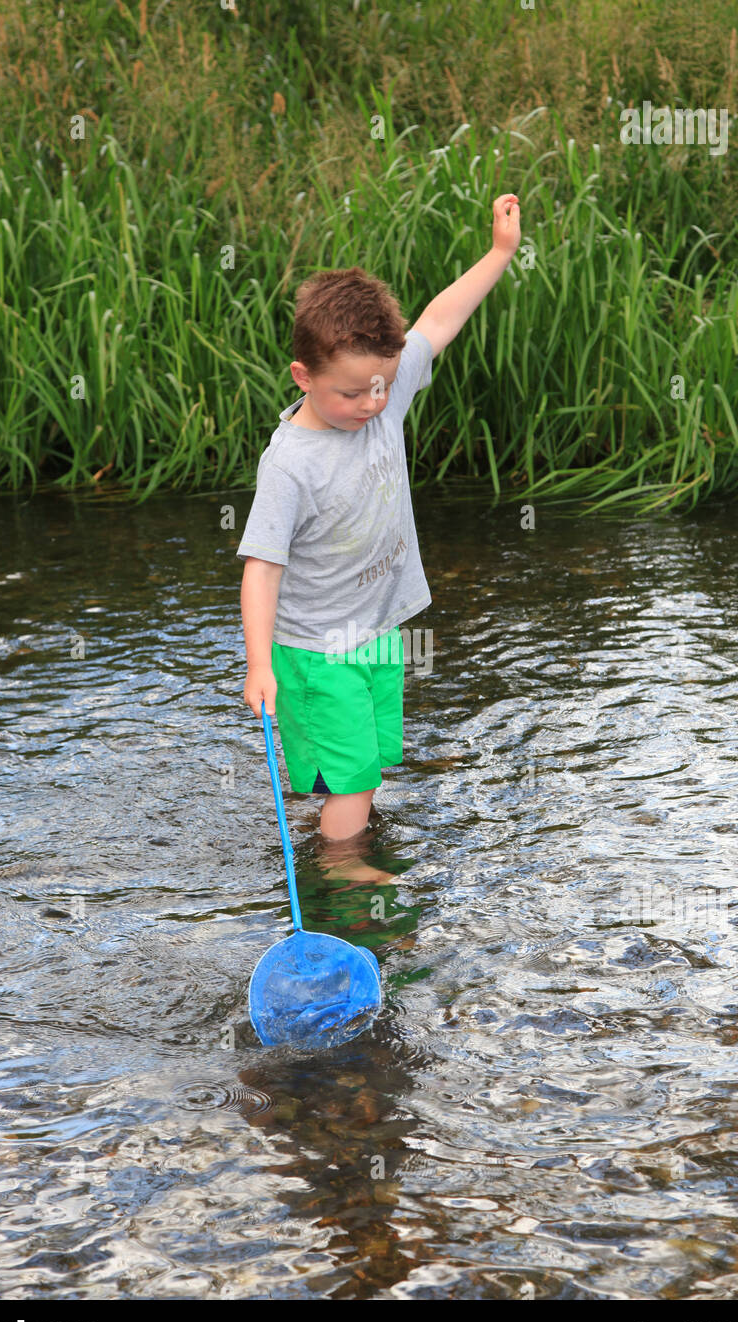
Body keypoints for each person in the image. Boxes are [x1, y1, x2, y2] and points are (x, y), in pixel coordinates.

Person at [238, 193, 521, 857]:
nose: (371, 403)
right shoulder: (291, 465)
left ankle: (331, 836)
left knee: (360, 768)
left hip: (374, 632)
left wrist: (500, 253)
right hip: (315, 651)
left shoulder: (381, 396)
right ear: (303, 377)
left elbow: (440, 320)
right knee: (356, 780)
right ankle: (343, 877)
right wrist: (259, 663)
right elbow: (261, 566)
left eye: (382, 387)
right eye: (351, 392)